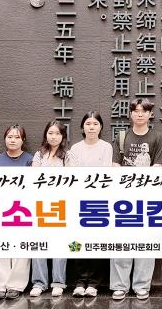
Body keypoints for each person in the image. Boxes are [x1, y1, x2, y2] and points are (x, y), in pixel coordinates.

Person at [110, 99, 162, 301]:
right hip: (123, 197)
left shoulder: (157, 137)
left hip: (147, 196)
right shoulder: (122, 136)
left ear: (150, 114)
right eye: (136, 110)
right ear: (131, 113)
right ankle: (120, 286)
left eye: (144, 111)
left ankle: (142, 285)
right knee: (122, 241)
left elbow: (158, 166)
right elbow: (115, 166)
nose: (140, 114)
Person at [68, 111, 113, 298]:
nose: (91, 127)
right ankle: (79, 281)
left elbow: (106, 173)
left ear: (101, 127)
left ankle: (94, 282)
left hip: (99, 200)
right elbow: (73, 174)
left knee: (96, 241)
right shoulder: (75, 148)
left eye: (95, 124)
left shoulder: (106, 147)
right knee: (76, 242)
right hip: (78, 199)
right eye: (88, 123)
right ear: (82, 127)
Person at [0, 124, 33, 299]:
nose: (13, 140)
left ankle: (16, 285)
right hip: (0, 207)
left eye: (17, 137)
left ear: (23, 140)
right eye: (9, 137)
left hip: (22, 209)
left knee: (20, 248)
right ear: (5, 139)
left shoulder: (30, 160)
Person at [30, 120, 72, 298]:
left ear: (63, 136)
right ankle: (39, 283)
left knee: (59, 245)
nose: (53, 137)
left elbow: (71, 180)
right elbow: (34, 179)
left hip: (61, 204)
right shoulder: (39, 154)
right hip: (40, 203)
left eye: (57, 133)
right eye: (50, 133)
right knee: (39, 244)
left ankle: (58, 282)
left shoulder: (67, 156)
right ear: (46, 135)